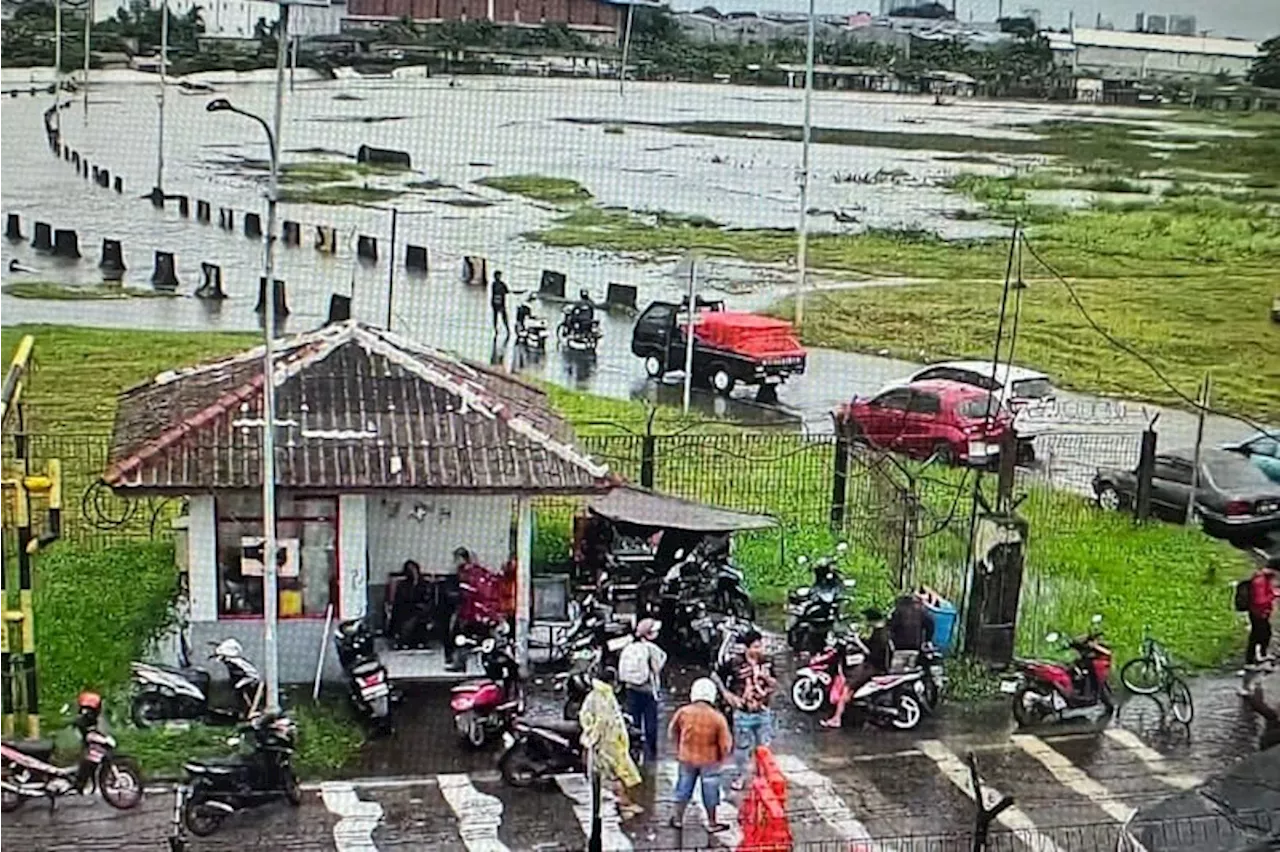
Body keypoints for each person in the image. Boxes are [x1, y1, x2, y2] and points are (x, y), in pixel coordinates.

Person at [713, 628, 776, 791]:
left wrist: (767, 681)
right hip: (743, 712)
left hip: (763, 711)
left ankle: (762, 775)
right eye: (755, 646)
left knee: (764, 746)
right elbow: (715, 675)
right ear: (747, 648)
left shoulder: (767, 662)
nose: (759, 650)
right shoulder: (734, 662)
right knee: (742, 748)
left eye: (760, 646)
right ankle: (741, 775)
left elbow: (775, 682)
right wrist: (727, 694)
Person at [668, 677, 733, 832]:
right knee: (710, 790)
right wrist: (722, 759)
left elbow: (672, 731)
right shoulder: (717, 717)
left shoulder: (683, 712)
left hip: (686, 758)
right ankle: (712, 823)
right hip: (710, 760)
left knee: (683, 788)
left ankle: (678, 819)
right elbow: (725, 744)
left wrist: (679, 748)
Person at [578, 677, 644, 819]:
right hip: (609, 744)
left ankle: (622, 803)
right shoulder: (604, 697)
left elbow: (586, 716)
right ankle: (624, 804)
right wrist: (594, 738)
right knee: (617, 775)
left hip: (608, 743)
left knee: (616, 775)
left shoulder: (596, 695)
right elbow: (604, 722)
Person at [822, 608, 892, 729]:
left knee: (847, 687)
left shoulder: (879, 635)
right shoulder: (882, 632)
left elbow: (872, 652)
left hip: (873, 667)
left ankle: (836, 718)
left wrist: (859, 642)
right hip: (876, 665)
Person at [617, 618, 668, 763]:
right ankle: (651, 757)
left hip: (631, 690)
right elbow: (657, 667)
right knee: (651, 725)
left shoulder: (629, 646)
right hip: (648, 692)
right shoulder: (651, 649)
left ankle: (633, 753)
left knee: (634, 723)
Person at [388, 560, 430, 649]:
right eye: (410, 570)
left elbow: (427, 599)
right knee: (403, 616)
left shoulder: (424, 584)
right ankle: (403, 640)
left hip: (420, 609)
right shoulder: (403, 585)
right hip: (406, 608)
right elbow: (400, 600)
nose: (413, 572)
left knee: (417, 616)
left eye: (414, 570)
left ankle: (411, 640)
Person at [1247, 563, 1278, 667]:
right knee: (1257, 635)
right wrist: (1272, 596)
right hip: (1258, 612)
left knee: (1264, 633)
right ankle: (1251, 660)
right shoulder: (1260, 581)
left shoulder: (1265, 579)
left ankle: (1260, 654)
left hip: (1261, 612)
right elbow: (1259, 600)